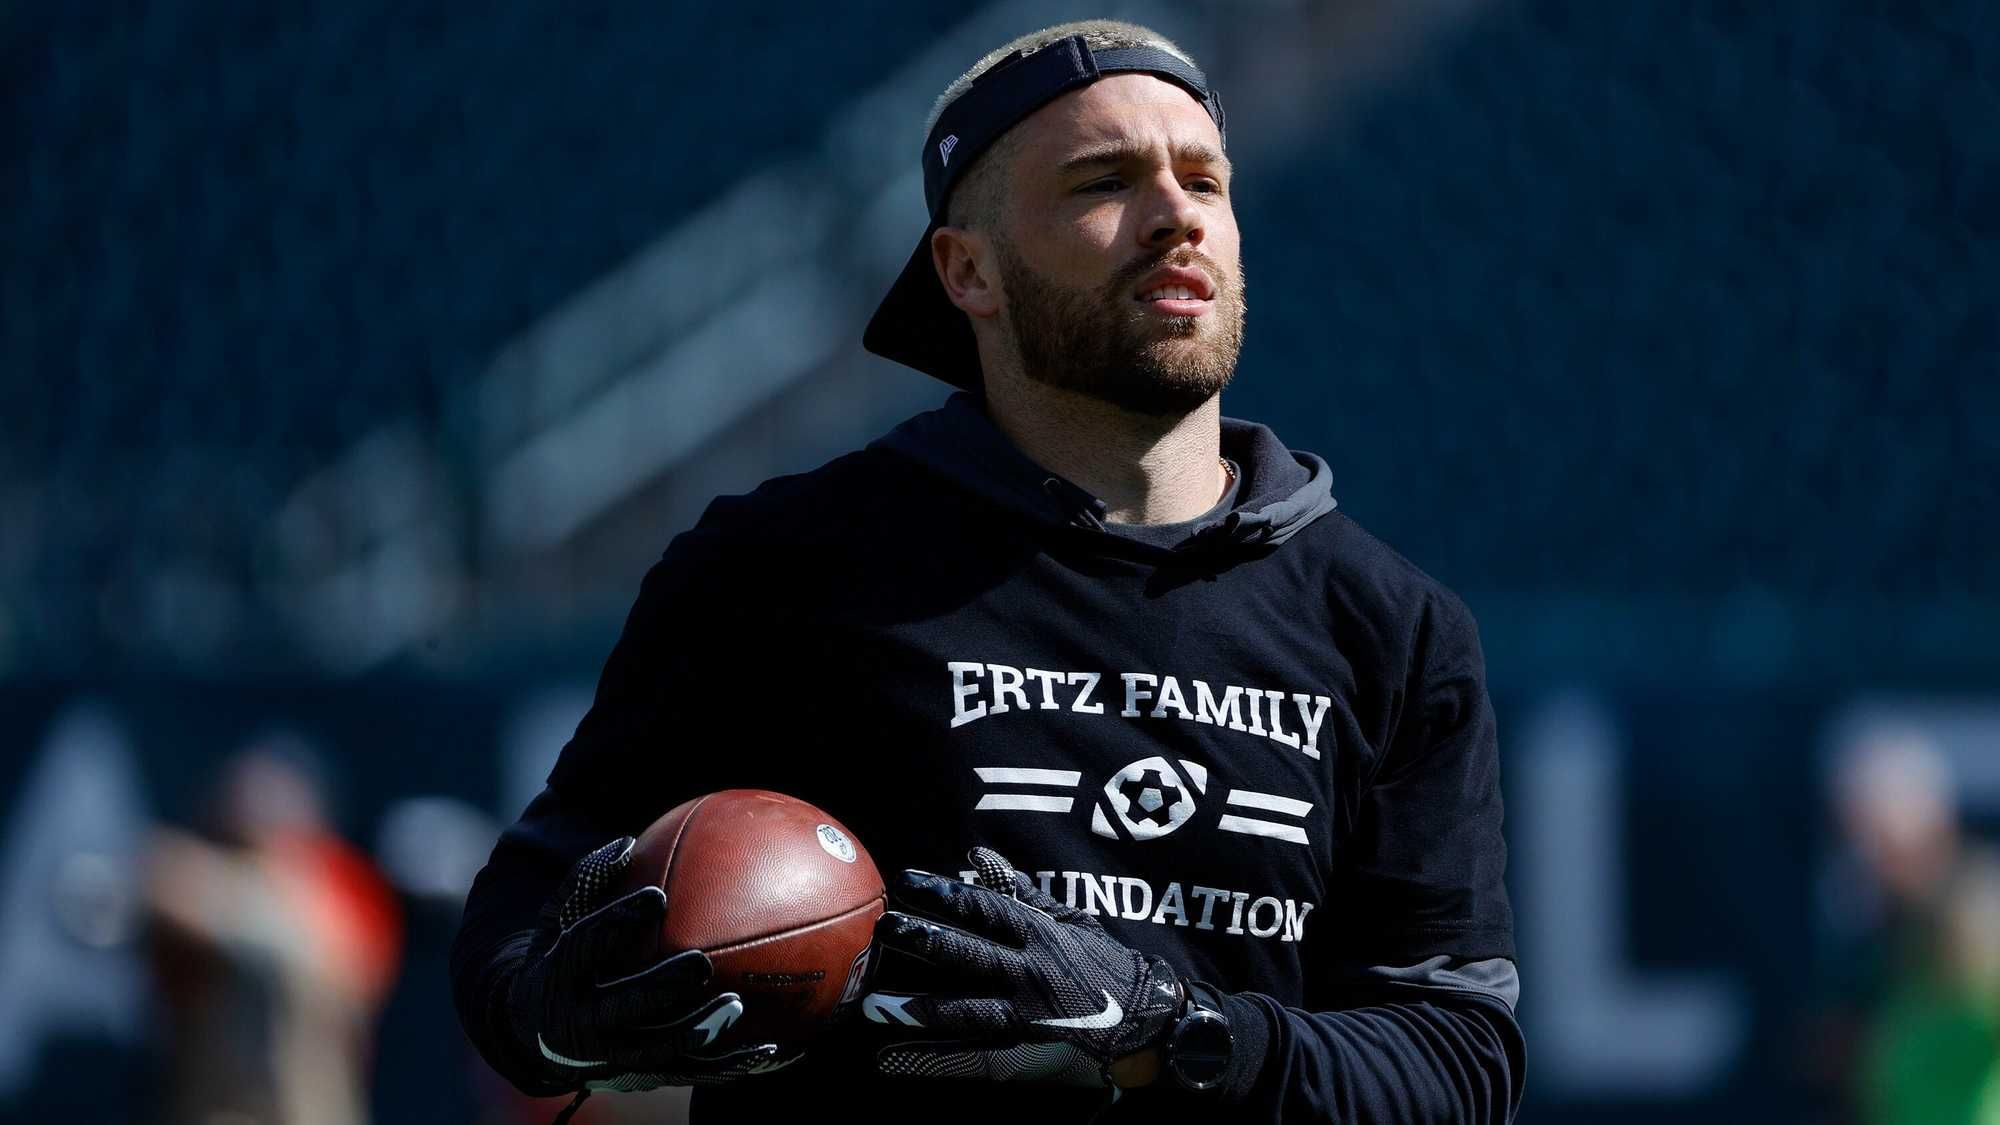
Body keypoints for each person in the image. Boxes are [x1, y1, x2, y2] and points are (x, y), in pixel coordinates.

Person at [452, 19, 1524, 1124]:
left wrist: (1165, 1029)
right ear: (967, 270)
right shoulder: (781, 570)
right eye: (1103, 182)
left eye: (1203, 179)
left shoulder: (1392, 626)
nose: (1175, 215)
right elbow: (521, 931)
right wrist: (561, 1017)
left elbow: (1455, 1066)